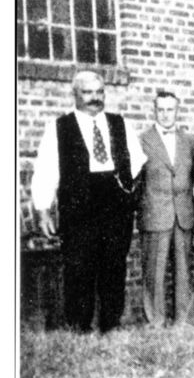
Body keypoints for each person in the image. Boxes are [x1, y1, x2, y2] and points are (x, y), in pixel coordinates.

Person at [31, 70, 146, 332]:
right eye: (87, 92)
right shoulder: (59, 128)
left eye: (99, 92)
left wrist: (125, 190)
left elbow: (137, 162)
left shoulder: (120, 124)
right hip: (79, 208)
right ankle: (79, 329)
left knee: (113, 268)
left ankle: (111, 326)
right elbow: (46, 171)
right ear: (75, 94)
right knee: (79, 270)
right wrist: (43, 210)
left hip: (114, 207)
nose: (95, 98)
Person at [138, 91, 194, 326]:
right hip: (155, 213)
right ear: (154, 111)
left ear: (177, 111)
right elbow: (136, 180)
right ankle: (156, 321)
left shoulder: (189, 141)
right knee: (155, 271)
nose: (165, 114)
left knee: (184, 269)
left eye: (170, 109)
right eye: (160, 109)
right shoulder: (142, 141)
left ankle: (184, 321)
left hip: (183, 213)